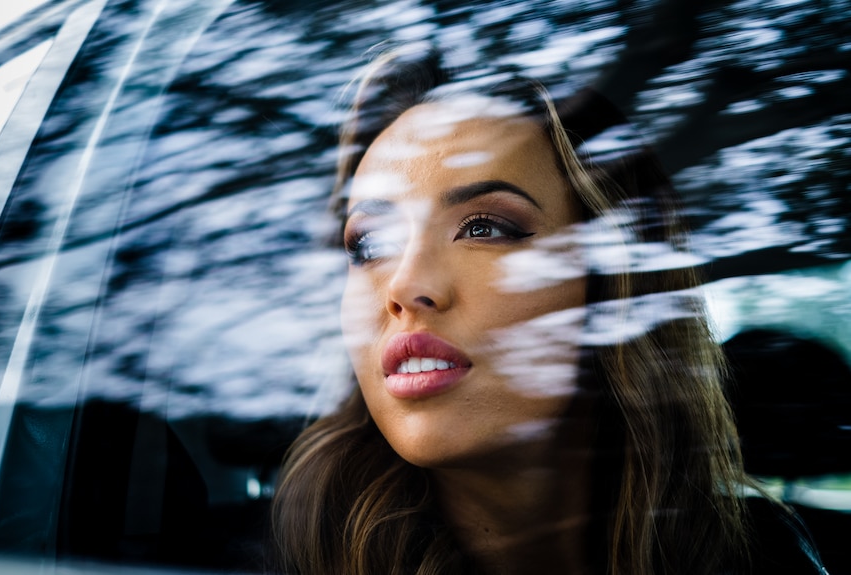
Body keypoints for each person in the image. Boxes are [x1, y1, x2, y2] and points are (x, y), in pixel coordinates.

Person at [270, 46, 826, 575]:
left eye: (483, 228)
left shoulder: (762, 556)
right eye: (368, 245)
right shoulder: (245, 560)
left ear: (613, 287)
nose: (405, 284)